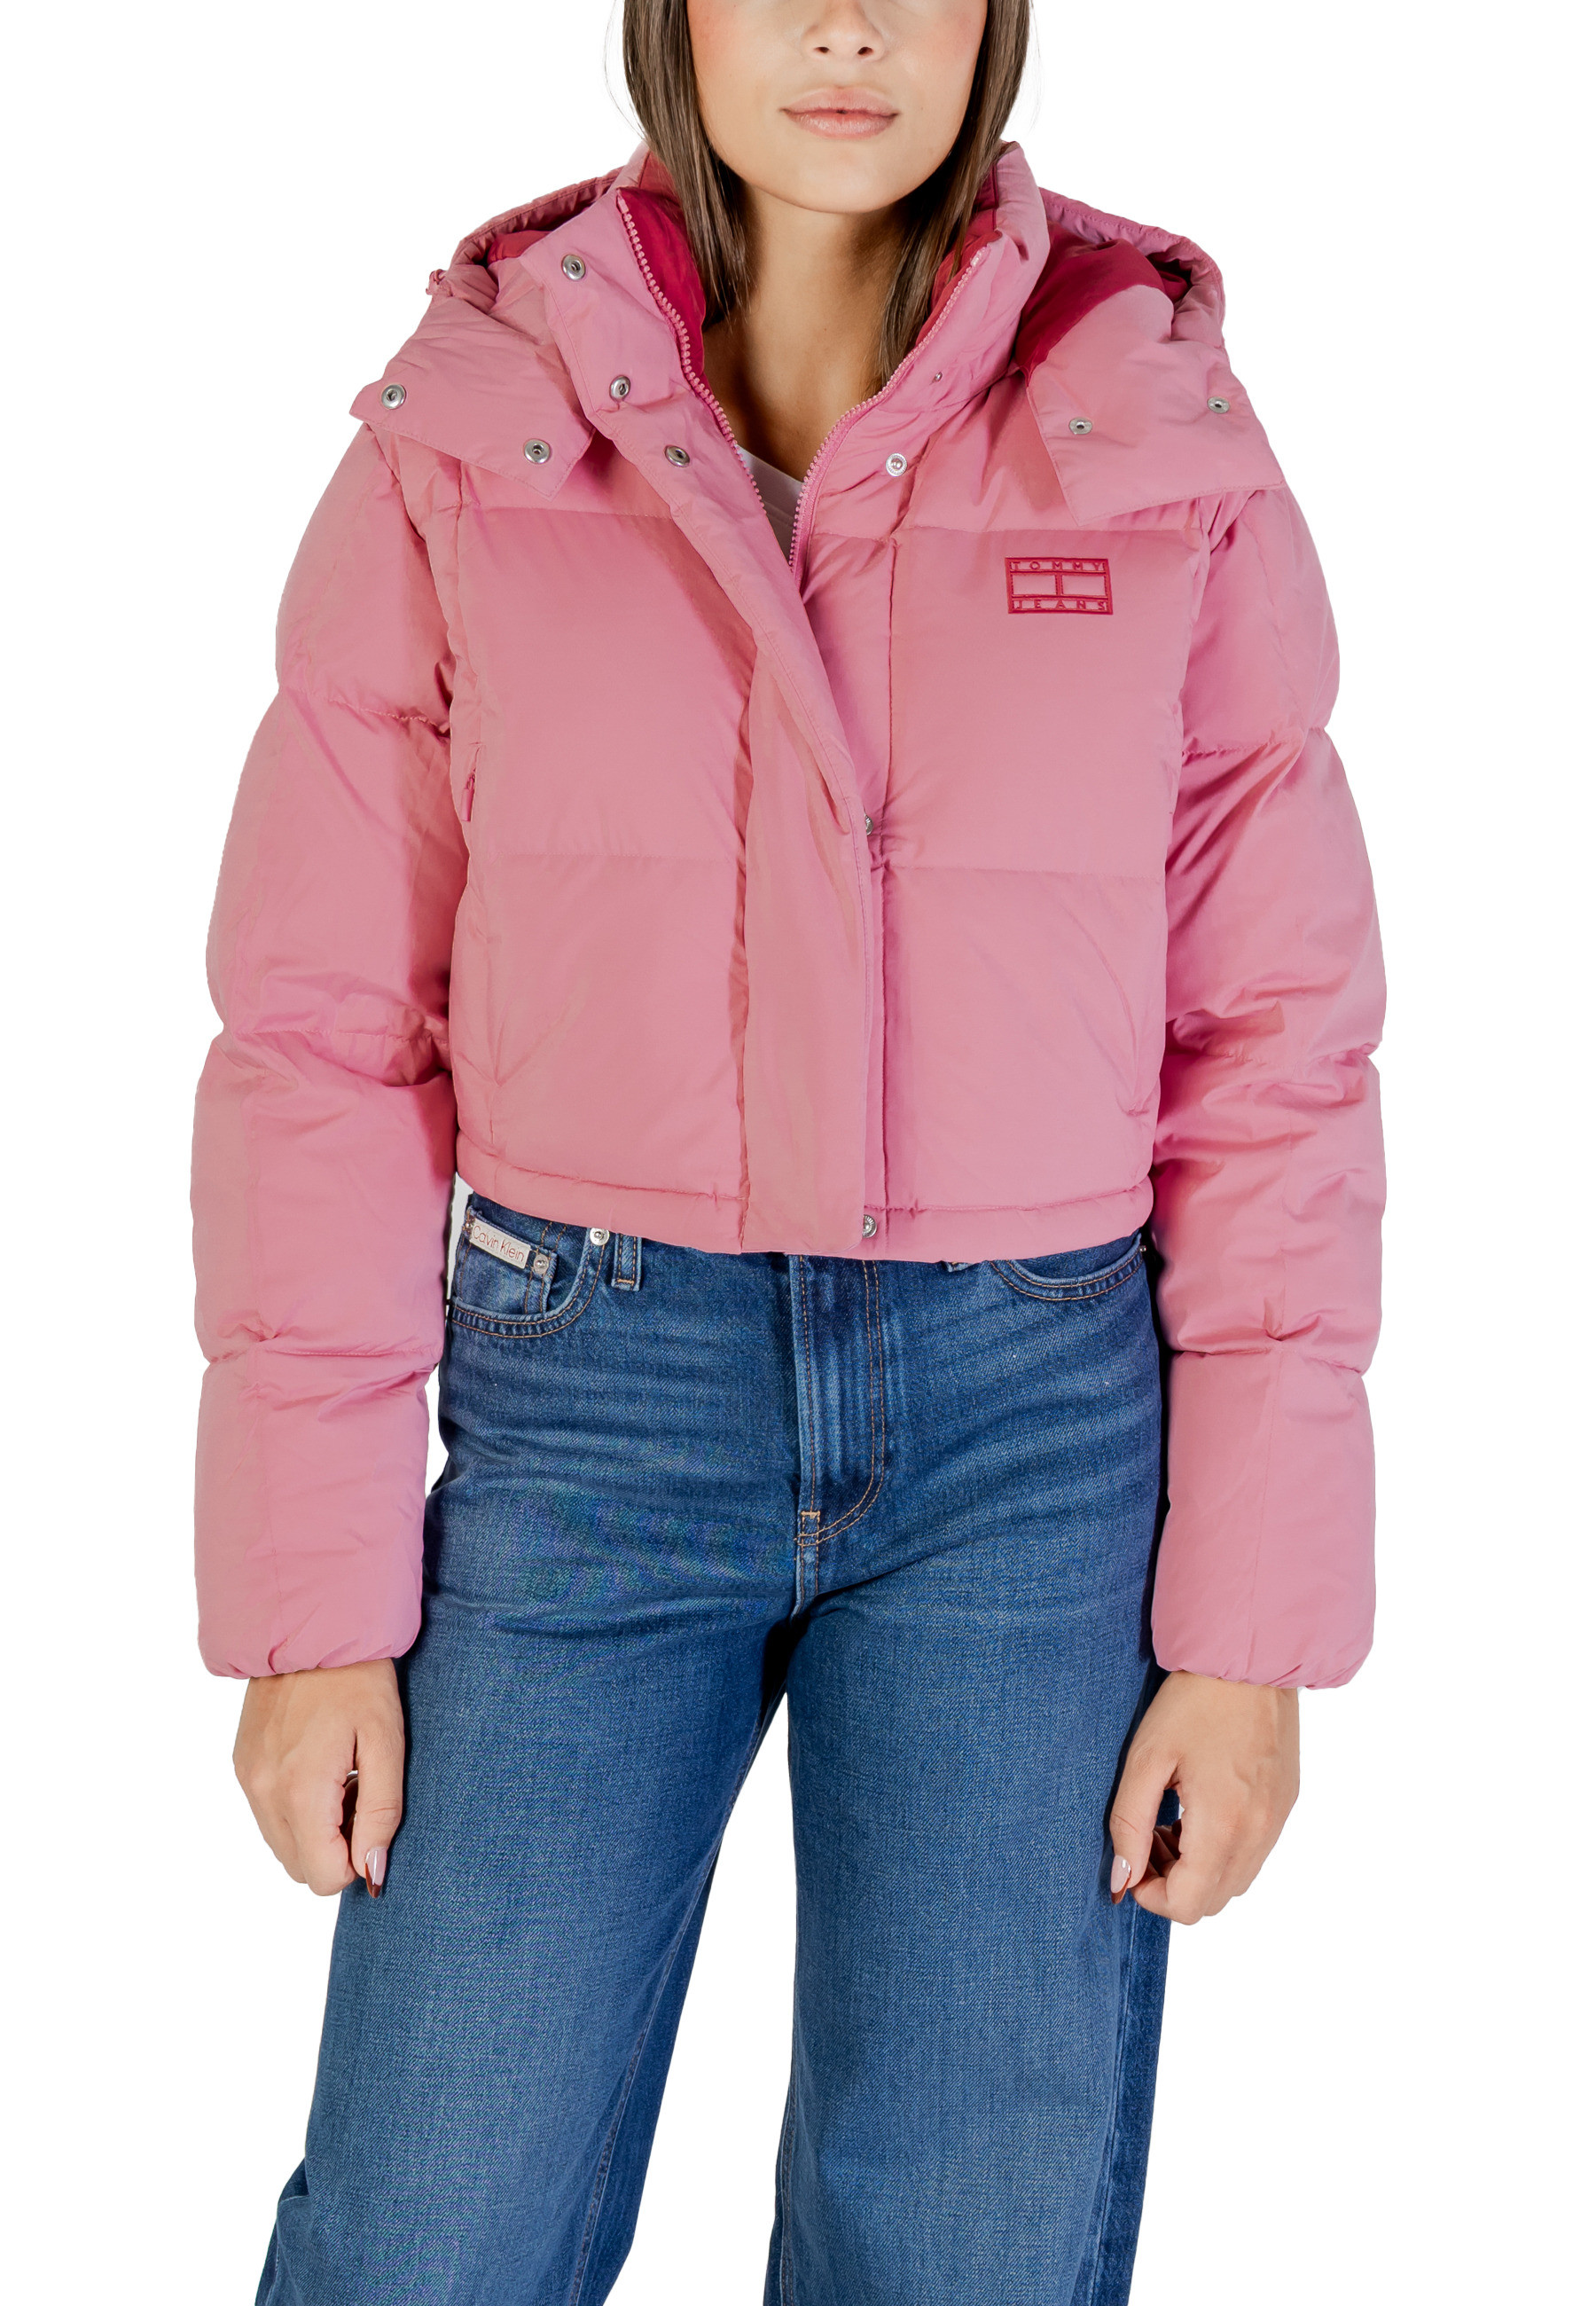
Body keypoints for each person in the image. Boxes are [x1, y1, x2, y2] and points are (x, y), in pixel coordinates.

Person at [194, 3, 1384, 2298]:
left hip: (1035, 1442)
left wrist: (1251, 1636)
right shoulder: (471, 431)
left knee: (964, 2250)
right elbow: (318, 1036)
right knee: (430, 2235)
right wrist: (309, 1609)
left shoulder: (1154, 435)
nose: (849, 25)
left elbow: (1277, 1044)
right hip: (589, 1405)